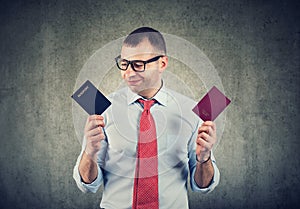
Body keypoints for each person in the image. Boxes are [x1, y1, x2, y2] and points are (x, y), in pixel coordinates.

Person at [73, 27, 220, 209]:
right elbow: (88, 185)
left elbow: (202, 187)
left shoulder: (191, 112)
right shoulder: (104, 111)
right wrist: (90, 152)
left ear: (162, 64)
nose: (128, 73)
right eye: (124, 63)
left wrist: (203, 159)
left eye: (138, 64)